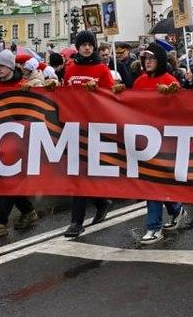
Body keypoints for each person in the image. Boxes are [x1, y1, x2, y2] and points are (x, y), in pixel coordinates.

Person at [130, 42, 189, 244]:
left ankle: (154, 227)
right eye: (145, 59)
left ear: (160, 60)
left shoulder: (170, 80)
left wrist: (173, 95)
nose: (148, 62)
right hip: (144, 138)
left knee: (153, 182)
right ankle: (176, 209)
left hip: (164, 139)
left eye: (152, 58)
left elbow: (182, 109)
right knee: (154, 181)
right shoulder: (139, 82)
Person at [59, 31, 115, 238]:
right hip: (74, 127)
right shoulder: (71, 69)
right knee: (78, 172)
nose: (87, 48)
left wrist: (98, 92)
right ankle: (100, 203)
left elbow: (111, 98)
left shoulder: (101, 69)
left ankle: (77, 221)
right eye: (83, 44)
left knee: (82, 173)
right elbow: (65, 95)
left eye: (90, 44)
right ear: (78, 47)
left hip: (94, 128)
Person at [0, 50, 40, 240]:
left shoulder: (23, 87)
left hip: (19, 141)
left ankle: (0, 222)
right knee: (6, 180)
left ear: (11, 67)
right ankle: (28, 211)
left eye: (2, 66)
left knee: (8, 180)